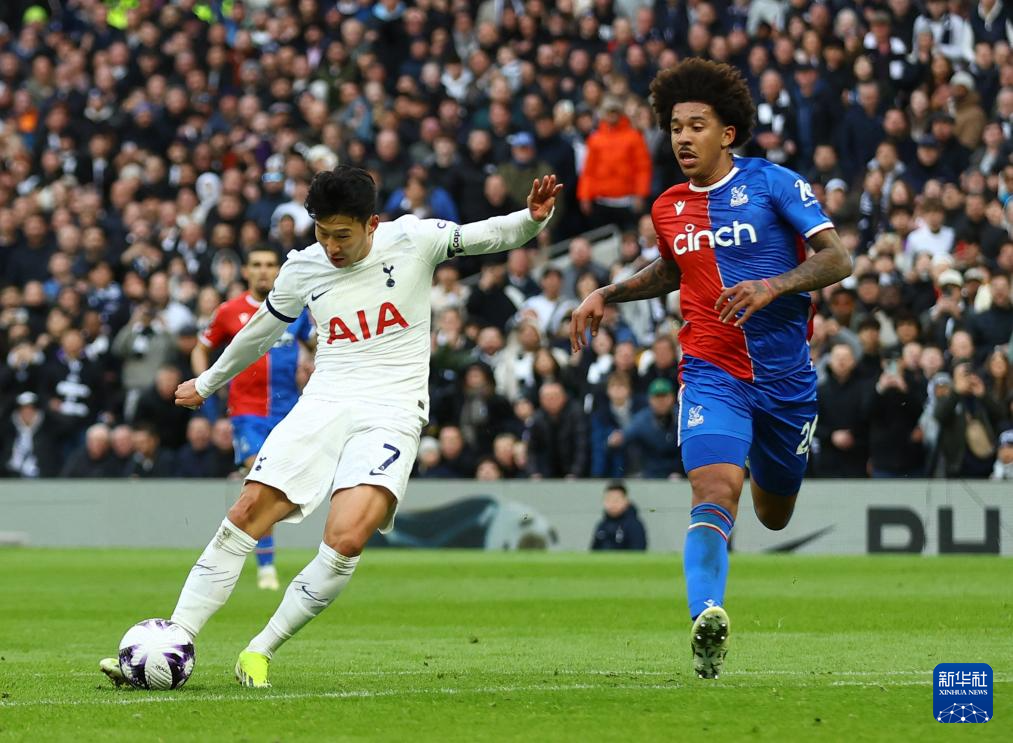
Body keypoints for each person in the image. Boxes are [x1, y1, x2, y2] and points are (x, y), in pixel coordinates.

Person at [100, 165, 561, 689]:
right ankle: (174, 640)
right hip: (324, 402)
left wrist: (533, 219)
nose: (332, 246)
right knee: (247, 511)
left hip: (392, 410)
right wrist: (208, 382)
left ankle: (260, 650)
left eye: (343, 234)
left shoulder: (414, 239)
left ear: (372, 224)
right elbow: (258, 332)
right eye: (322, 233)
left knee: (345, 539)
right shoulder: (303, 267)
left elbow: (489, 234)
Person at [570, 60, 851, 680]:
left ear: (727, 133)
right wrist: (607, 293)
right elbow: (673, 270)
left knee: (773, 513)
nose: (683, 137)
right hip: (710, 372)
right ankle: (706, 618)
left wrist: (774, 285)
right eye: (675, 127)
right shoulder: (668, 207)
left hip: (785, 381)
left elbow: (838, 259)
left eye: (697, 125)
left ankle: (761, 467)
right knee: (714, 491)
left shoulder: (775, 184)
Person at [194, 247, 315, 590]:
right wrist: (204, 385)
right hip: (247, 414)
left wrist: (315, 366)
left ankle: (249, 551)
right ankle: (265, 566)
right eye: (257, 265)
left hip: (290, 413)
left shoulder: (295, 309)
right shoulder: (229, 311)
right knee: (262, 480)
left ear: (279, 271)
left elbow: (317, 344)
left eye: (270, 265)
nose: (264, 271)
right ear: (246, 271)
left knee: (277, 489)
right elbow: (201, 348)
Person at [590, 482, 647, 551]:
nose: (612, 504)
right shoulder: (602, 525)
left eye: (616, 500)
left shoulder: (634, 525)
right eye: (608, 500)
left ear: (625, 501)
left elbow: (638, 551)